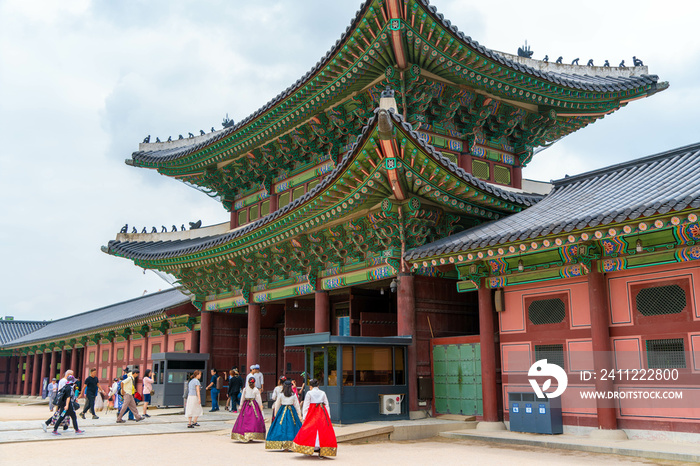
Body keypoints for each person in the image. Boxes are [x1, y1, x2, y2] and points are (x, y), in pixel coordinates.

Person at [291, 378, 337, 457]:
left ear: (311, 386)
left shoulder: (309, 393)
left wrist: (304, 416)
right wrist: (328, 416)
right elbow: (327, 404)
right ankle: (321, 449)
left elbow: (306, 405)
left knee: (310, 429)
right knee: (322, 430)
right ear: (318, 385)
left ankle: (308, 447)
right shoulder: (323, 393)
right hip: (322, 412)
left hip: (312, 412)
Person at [265, 381, 302, 450]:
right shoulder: (293, 395)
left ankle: (282, 443)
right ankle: (292, 444)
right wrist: (299, 415)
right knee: (292, 427)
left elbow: (277, 404)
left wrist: (276, 414)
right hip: (292, 411)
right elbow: (297, 406)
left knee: (281, 427)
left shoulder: (281, 394)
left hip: (282, 411)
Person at [231, 376, 265, 442]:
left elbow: (242, 398)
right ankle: (252, 435)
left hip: (246, 404)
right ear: (254, 382)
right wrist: (260, 406)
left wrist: (240, 406)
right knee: (253, 419)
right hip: (253, 405)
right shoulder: (255, 389)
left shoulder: (245, 389)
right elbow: (258, 399)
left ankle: (244, 434)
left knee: (244, 419)